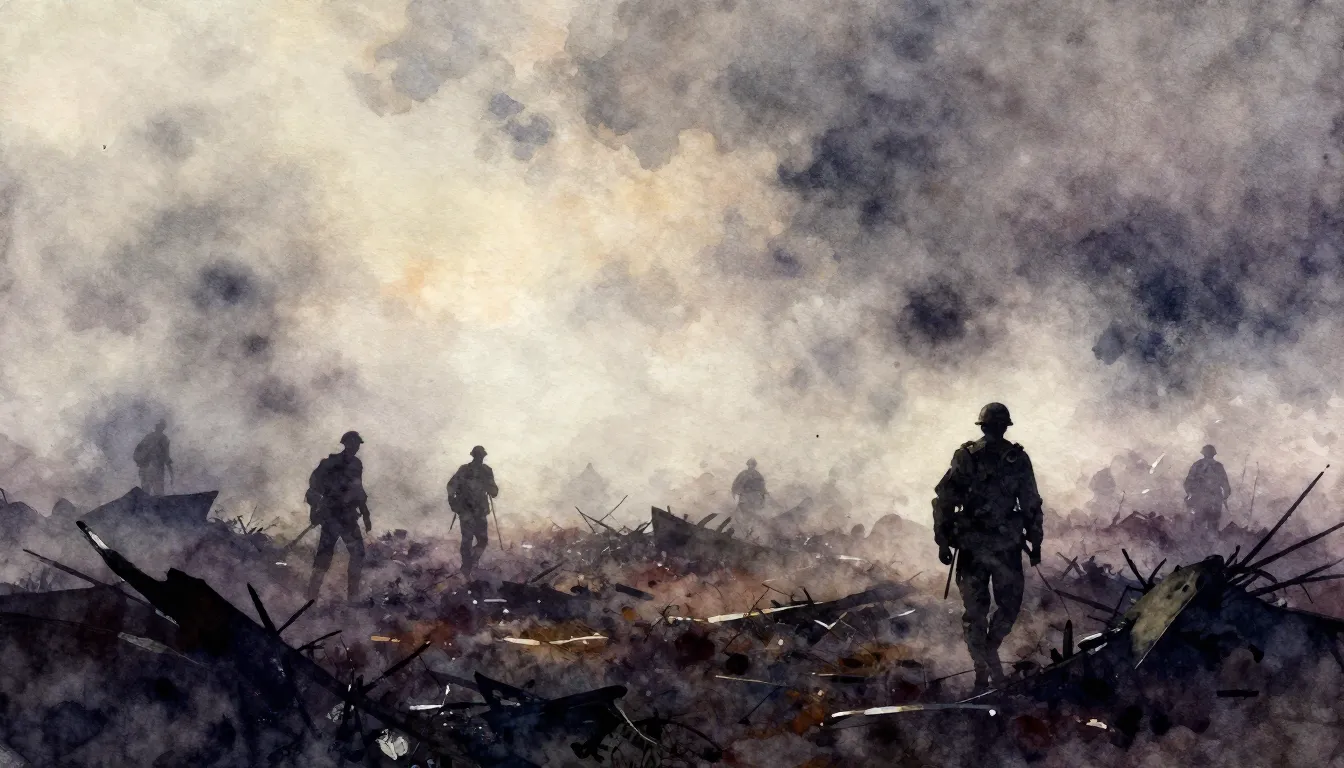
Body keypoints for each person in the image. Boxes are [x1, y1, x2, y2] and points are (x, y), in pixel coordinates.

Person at [932, 403, 1044, 691]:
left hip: (991, 547)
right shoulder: (986, 457)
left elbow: (1031, 504)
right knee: (987, 611)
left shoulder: (1004, 458)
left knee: (986, 611)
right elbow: (944, 500)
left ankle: (985, 660)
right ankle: (984, 670)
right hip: (987, 548)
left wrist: (943, 541)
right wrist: (1035, 542)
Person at [305, 431, 371, 601]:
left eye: (357, 444)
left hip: (347, 517)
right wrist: (314, 512)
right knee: (324, 558)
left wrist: (365, 513)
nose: (356, 447)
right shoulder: (330, 463)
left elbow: (358, 490)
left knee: (358, 553)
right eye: (353, 443)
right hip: (332, 517)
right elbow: (314, 488)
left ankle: (352, 598)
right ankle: (311, 598)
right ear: (345, 443)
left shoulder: (356, 464)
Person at [448, 446, 498, 574]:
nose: (479, 458)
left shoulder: (485, 471)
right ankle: (467, 566)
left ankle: (471, 563)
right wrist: (453, 503)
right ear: (475, 456)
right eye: (478, 456)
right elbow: (451, 486)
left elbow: (494, 491)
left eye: (481, 456)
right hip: (468, 511)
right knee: (468, 540)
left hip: (478, 512)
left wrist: (488, 485)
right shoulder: (465, 470)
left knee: (481, 540)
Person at [1183, 445, 1231, 531]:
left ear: (1203, 453)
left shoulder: (1197, 465)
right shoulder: (1218, 466)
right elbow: (1225, 484)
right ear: (1214, 454)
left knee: (1199, 525)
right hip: (1213, 500)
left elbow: (1188, 482)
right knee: (1212, 525)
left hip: (1201, 499)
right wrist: (1225, 496)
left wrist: (1190, 493)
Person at [133, 420, 173, 496]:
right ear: (163, 427)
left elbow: (139, 450)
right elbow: (167, 458)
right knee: (158, 494)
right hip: (157, 469)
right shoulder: (164, 439)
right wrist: (172, 475)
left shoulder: (148, 437)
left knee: (145, 493)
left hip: (145, 468)